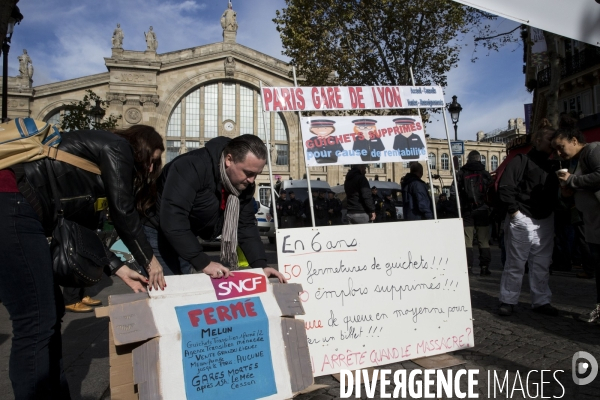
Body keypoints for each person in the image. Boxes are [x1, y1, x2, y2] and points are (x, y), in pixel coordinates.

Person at [0, 124, 165, 399]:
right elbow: (123, 212)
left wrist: (120, 268)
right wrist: (150, 261)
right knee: (35, 322)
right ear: (142, 147)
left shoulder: (91, 170)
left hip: (21, 210)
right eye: (153, 159)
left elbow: (84, 232)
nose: (151, 169)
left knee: (50, 315)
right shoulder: (117, 147)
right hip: (12, 204)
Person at [149, 134, 285, 281]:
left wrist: (261, 265)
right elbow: (173, 218)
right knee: (169, 286)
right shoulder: (191, 166)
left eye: (256, 174)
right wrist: (203, 262)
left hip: (187, 233)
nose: (252, 180)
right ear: (228, 160)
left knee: (183, 282)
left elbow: (245, 225)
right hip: (157, 230)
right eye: (248, 173)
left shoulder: (245, 185)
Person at [497, 119, 559, 317]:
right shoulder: (521, 160)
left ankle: (541, 300)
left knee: (542, 262)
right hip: (523, 215)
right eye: (551, 139)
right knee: (515, 263)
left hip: (545, 218)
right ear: (538, 140)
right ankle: (507, 299)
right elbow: (506, 187)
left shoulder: (554, 164)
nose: (554, 142)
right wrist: (515, 213)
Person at [552, 118, 600, 322]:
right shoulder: (574, 161)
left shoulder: (592, 150)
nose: (559, 153)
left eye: (561, 147)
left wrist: (572, 180)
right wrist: (567, 192)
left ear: (573, 140)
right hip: (592, 223)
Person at [455, 150, 493, 275]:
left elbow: (453, 192)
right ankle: (484, 267)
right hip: (482, 210)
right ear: (479, 159)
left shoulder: (461, 173)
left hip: (467, 210)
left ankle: (468, 267)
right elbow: (491, 191)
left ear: (468, 159)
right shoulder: (485, 173)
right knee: (483, 240)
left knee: (468, 240)